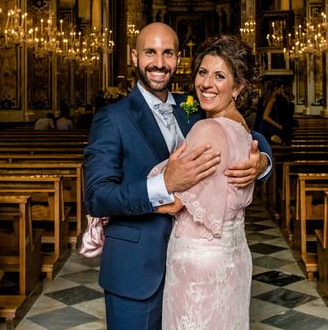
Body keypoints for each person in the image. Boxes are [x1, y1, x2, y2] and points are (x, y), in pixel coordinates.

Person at [84, 22, 272, 330]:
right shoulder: (112, 118)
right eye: (150, 52)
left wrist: (262, 161)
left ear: (178, 57)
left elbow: (241, 132)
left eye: (167, 53)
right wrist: (164, 185)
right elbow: (97, 197)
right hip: (137, 273)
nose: (159, 62)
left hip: (196, 273)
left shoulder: (197, 109)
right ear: (134, 56)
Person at [154, 34, 257, 328]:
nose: (206, 83)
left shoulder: (207, 128)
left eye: (219, 76)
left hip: (197, 264)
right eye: (202, 72)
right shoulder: (243, 129)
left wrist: (125, 203)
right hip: (234, 255)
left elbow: (174, 202)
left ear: (238, 87)